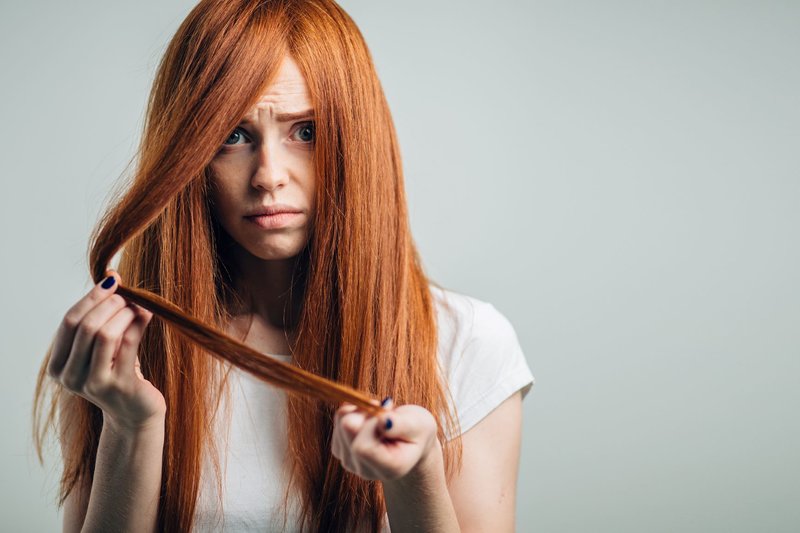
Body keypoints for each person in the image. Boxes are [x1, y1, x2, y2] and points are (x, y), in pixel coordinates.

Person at [33, 1, 535, 531]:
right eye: (232, 136)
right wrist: (130, 426)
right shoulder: (114, 356)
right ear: (186, 155)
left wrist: (418, 477)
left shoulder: (469, 344)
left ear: (356, 142)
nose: (269, 176)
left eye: (306, 132)